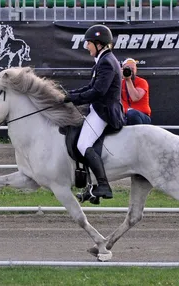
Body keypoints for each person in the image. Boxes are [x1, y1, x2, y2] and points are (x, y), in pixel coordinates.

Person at [64, 24, 125, 200]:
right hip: (98, 108)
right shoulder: (103, 60)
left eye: (89, 43)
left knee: (83, 145)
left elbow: (98, 92)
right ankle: (91, 187)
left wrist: (74, 99)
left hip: (104, 112)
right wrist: (69, 95)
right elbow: (90, 87)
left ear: (99, 43)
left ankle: (103, 186)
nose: (87, 47)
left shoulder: (106, 63)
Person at [121, 58, 152, 125]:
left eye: (132, 69)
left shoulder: (142, 82)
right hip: (125, 115)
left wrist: (128, 80)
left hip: (141, 115)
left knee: (131, 113)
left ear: (136, 70)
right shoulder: (119, 83)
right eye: (127, 69)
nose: (130, 71)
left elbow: (135, 97)